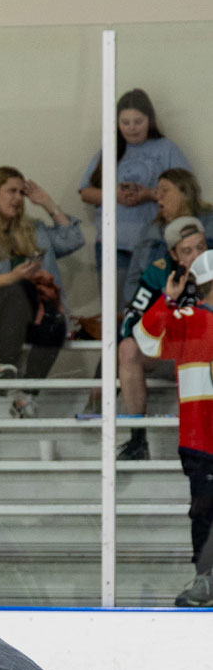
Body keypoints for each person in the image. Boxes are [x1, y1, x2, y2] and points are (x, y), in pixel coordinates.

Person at [0, 167, 84, 413]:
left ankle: (26, 396)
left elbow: (73, 239)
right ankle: (5, 369)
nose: (17, 198)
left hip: (24, 320)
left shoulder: (33, 230)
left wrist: (47, 203)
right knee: (16, 290)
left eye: (21, 193)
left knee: (55, 317)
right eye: (11, 191)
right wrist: (12, 277)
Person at [131, 246, 213, 606]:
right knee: (204, 511)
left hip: (198, 436)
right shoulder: (186, 318)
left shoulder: (188, 318)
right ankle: (206, 579)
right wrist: (167, 300)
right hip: (201, 438)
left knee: (204, 511)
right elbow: (145, 340)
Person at [78, 89, 189, 296]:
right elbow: (86, 192)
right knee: (117, 306)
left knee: (152, 303)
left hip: (154, 243)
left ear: (150, 120)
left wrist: (149, 194)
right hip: (113, 243)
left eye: (138, 121)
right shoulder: (110, 149)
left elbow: (184, 191)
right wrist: (115, 195)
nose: (132, 128)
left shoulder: (166, 148)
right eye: (125, 122)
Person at [116, 216, 209, 458]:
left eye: (201, 247)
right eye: (187, 251)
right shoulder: (158, 273)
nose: (197, 256)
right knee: (128, 348)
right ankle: (138, 440)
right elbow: (130, 323)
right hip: (171, 355)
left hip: (206, 358)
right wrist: (167, 302)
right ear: (173, 255)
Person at [118, 167, 212, 312]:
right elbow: (133, 279)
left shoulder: (208, 224)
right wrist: (143, 310)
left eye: (165, 190)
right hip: (158, 309)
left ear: (185, 193)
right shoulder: (150, 231)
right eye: (157, 191)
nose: (158, 196)